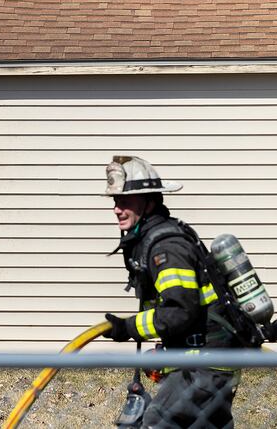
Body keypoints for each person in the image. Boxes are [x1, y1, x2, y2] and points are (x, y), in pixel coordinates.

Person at [101, 155, 238, 428]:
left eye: (125, 201)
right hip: (209, 361)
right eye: (116, 202)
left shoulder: (167, 248)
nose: (117, 209)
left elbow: (179, 312)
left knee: (157, 422)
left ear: (149, 202)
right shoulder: (157, 239)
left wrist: (127, 327)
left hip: (202, 366)